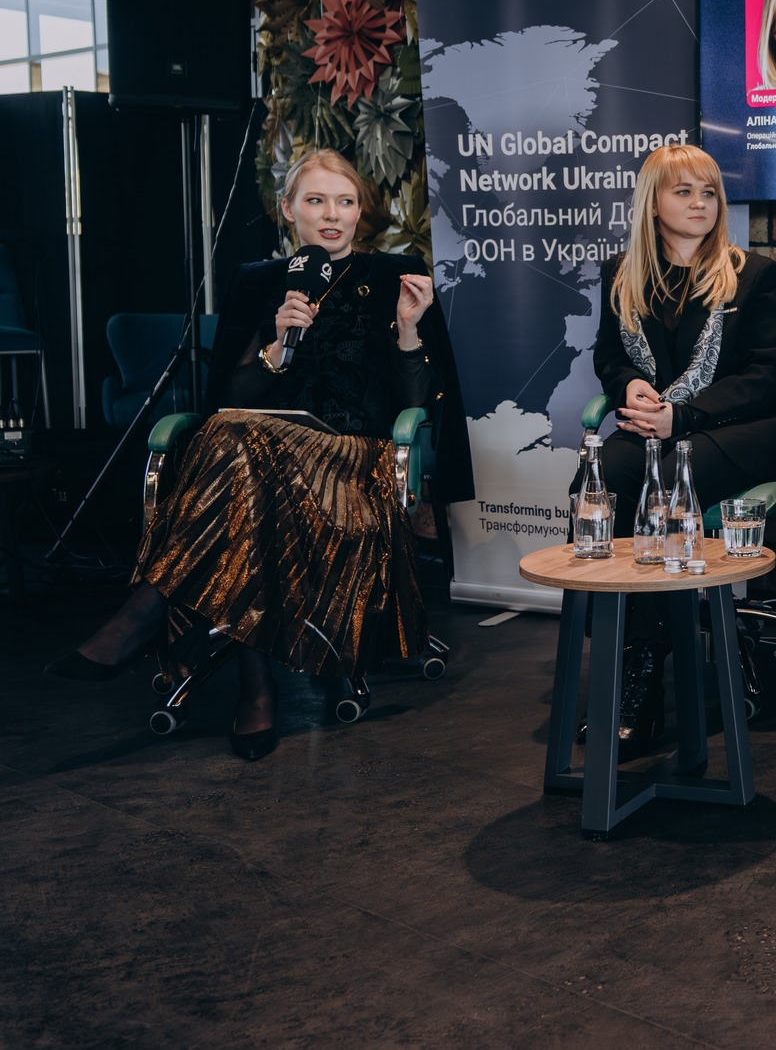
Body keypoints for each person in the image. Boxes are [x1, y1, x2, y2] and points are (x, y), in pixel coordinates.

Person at [46, 150, 468, 762]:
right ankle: (255, 681)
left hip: (350, 459)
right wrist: (276, 345)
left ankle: (152, 617)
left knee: (235, 442)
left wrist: (408, 328)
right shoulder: (260, 280)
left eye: (345, 201)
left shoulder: (394, 275)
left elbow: (415, 405)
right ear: (288, 210)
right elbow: (232, 397)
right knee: (240, 445)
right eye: (316, 201)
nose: (332, 215)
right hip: (258, 459)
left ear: (360, 211)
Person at [584, 143, 776, 757]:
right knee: (597, 484)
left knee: (663, 484)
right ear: (653, 203)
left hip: (742, 429)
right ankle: (635, 654)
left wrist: (683, 415)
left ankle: (643, 674)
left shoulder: (751, 273)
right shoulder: (621, 273)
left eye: (709, 193)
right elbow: (610, 355)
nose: (701, 204)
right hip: (660, 426)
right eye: (684, 192)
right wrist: (629, 386)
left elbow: (766, 377)